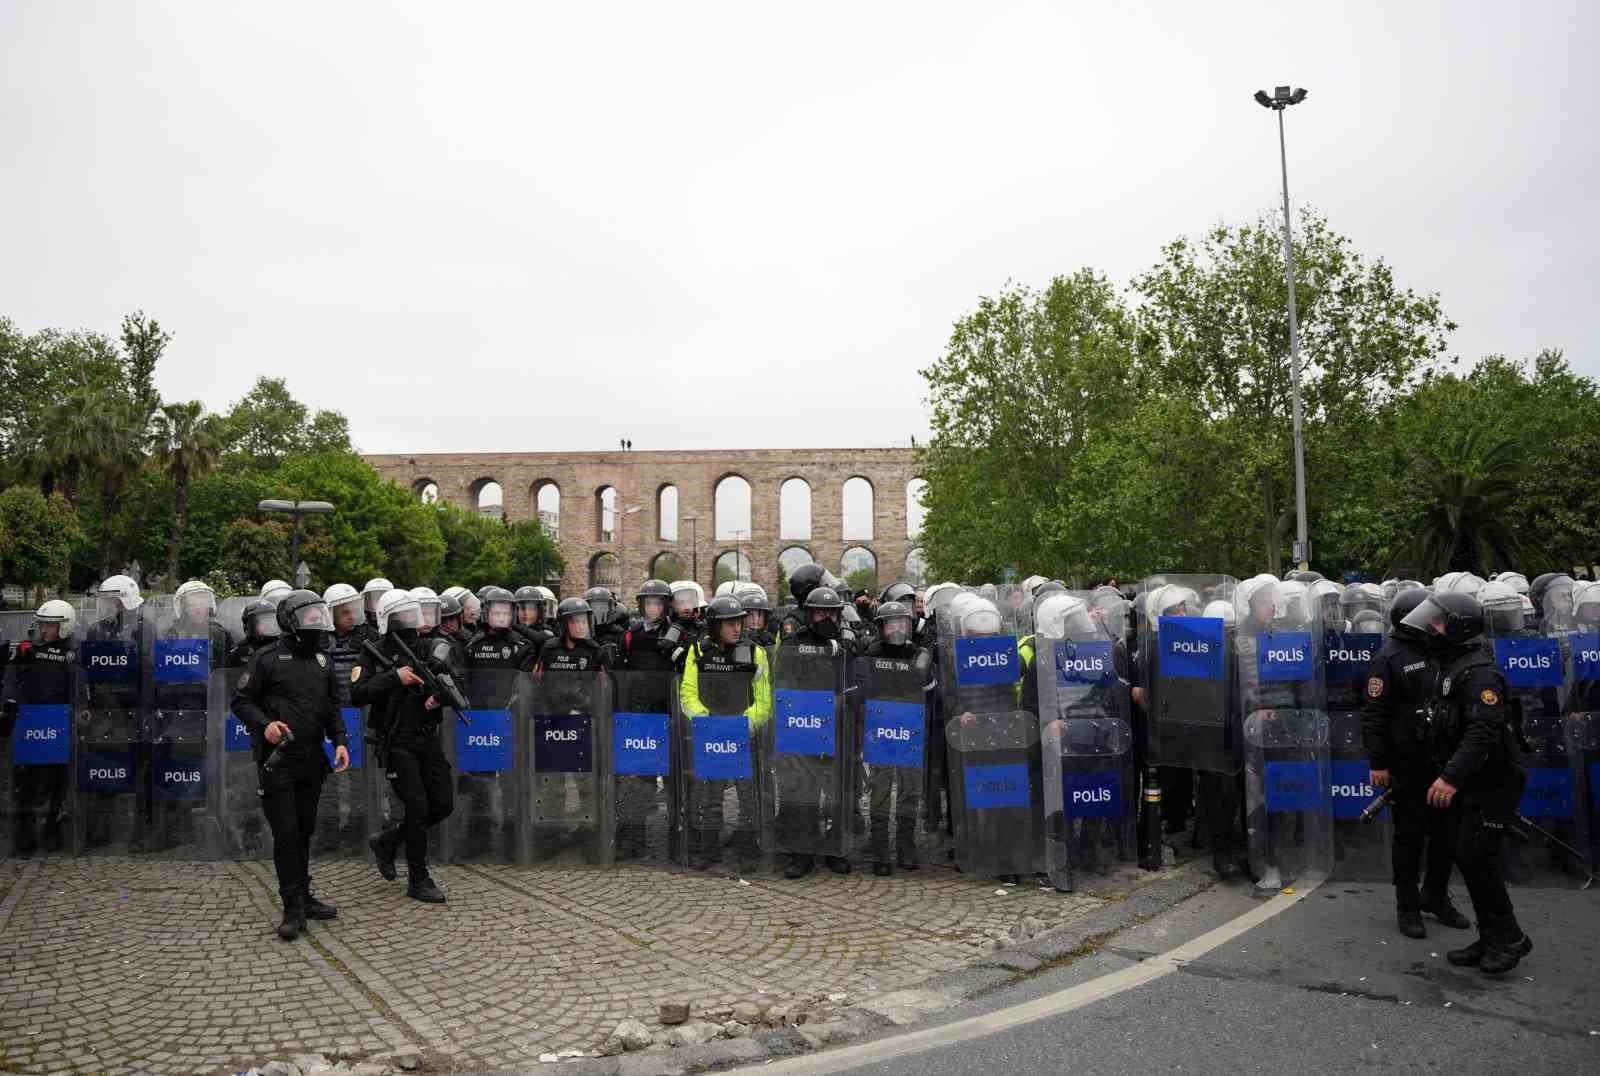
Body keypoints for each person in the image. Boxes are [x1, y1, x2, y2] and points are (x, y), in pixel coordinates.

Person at [1399, 592, 1534, 975]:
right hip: (1471, 779)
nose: (1431, 628)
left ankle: (1509, 938)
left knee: (1479, 857)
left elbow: (1483, 731)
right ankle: (1490, 935)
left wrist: (1450, 776)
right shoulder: (1451, 665)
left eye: (1439, 622)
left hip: (1492, 780)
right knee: (1469, 857)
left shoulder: (1479, 673)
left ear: (1458, 627)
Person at [231, 589, 350, 940]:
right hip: (277, 762)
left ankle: (305, 894)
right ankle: (291, 907)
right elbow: (241, 701)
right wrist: (264, 725)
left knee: (303, 830)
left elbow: (331, 708)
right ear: (291, 620)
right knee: (285, 833)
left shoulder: (324, 662)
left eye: (319, 614)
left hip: (313, 760)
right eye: (310, 616)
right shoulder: (267, 659)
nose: (317, 621)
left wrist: (340, 741)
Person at [1359, 587, 1468, 937]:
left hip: (1443, 760)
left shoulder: (1444, 650)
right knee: (1409, 837)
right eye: (1429, 617)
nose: (1435, 624)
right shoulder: (1389, 658)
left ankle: (1434, 895)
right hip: (1407, 763)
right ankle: (1407, 906)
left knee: (1446, 834)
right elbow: (1374, 715)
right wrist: (1378, 762)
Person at [353, 589, 456, 904]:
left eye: (411, 613)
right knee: (418, 807)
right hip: (396, 740)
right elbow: (357, 693)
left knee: (443, 804)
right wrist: (394, 678)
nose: (408, 621)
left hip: (427, 736)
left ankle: (388, 840)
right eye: (401, 615)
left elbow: (455, 682)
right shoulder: (371, 651)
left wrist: (440, 696)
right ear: (387, 618)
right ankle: (418, 878)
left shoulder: (425, 647)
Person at [678, 593, 771, 870]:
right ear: (714, 626)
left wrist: (744, 725)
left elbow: (764, 698)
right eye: (729, 623)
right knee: (710, 795)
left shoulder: (756, 652)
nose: (736, 628)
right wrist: (707, 723)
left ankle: (748, 849)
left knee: (748, 797)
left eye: (739, 622)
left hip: (744, 734)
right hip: (712, 734)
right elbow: (688, 693)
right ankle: (709, 849)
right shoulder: (697, 651)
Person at [1, 599, 81, 855]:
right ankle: (24, 835)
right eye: (42, 624)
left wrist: (80, 711)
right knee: (27, 781)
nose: (44, 630)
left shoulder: (73, 654)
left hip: (58, 724)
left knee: (58, 781)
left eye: (50, 626)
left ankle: (52, 830)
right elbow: (10, 682)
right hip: (30, 724)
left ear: (64, 627)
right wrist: (11, 706)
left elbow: (78, 688)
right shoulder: (26, 651)